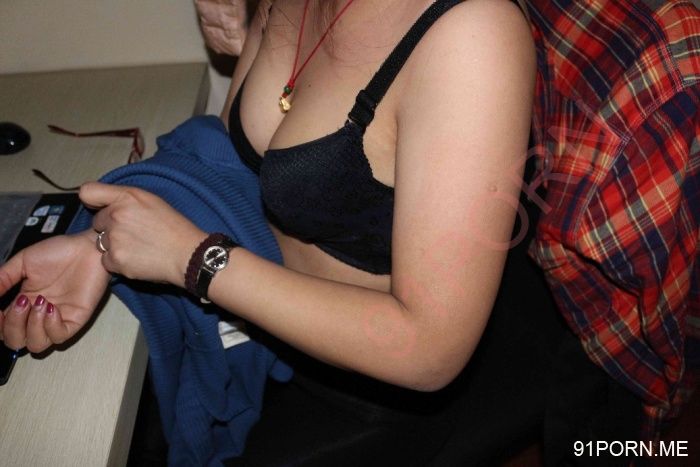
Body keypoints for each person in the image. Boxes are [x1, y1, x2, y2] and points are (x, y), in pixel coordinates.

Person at [0, 0, 535, 464]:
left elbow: (430, 351)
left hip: (371, 399)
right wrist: (103, 241)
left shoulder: (473, 34)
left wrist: (193, 259)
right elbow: (233, 166)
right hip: (262, 339)